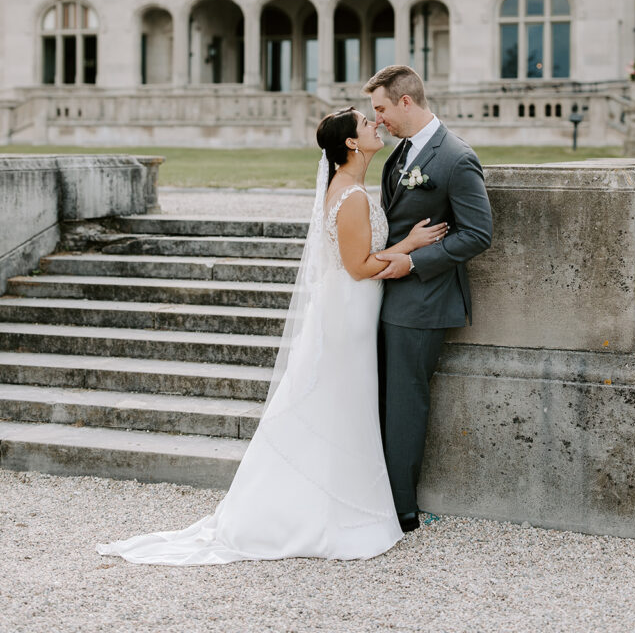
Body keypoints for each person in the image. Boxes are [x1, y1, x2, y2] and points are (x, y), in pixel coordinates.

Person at [96, 106, 447, 565]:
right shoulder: (352, 197)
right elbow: (360, 267)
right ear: (352, 144)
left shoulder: (352, 189)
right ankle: (319, 509)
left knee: (346, 404)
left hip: (353, 310)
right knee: (341, 402)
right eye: (366, 123)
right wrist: (409, 246)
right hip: (349, 313)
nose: (375, 124)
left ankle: (341, 497)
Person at [364, 65, 493, 534]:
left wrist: (414, 263)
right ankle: (377, 495)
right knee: (380, 399)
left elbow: (478, 234)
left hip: (423, 302)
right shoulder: (398, 156)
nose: (376, 119)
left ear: (405, 101)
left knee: (405, 404)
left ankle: (401, 511)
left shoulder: (456, 158)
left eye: (380, 108)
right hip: (385, 294)